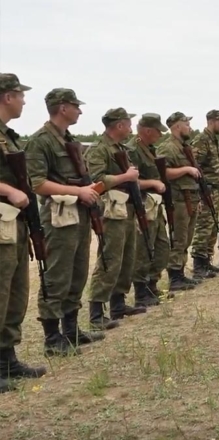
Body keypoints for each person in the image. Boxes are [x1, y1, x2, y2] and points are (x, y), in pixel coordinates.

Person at [25, 88, 108, 356]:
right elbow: (36, 183)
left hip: (79, 215)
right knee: (57, 276)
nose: (80, 111)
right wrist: (79, 192)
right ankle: (52, 338)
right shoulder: (41, 141)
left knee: (78, 272)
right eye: (75, 106)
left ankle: (71, 330)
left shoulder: (67, 138)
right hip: (59, 218)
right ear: (62, 108)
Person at [0, 73, 47, 392]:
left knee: (16, 292)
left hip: (15, 221)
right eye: (20, 95)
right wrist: (6, 189)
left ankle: (7, 358)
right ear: (6, 97)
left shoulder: (11, 137)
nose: (24, 100)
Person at [85, 108, 147, 325]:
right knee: (109, 258)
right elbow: (96, 180)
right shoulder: (99, 149)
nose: (131, 128)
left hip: (126, 208)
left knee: (127, 257)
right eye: (128, 124)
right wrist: (125, 176)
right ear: (119, 125)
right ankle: (96, 311)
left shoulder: (122, 149)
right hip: (111, 211)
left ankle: (118, 304)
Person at [127, 113, 175, 305]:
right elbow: (132, 180)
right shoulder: (132, 150)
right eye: (157, 131)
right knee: (144, 249)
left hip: (155, 204)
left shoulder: (149, 148)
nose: (160, 135)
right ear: (147, 131)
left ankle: (152, 286)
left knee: (162, 247)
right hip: (143, 205)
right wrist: (153, 183)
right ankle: (141, 292)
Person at [157, 112, 203, 290]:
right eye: (186, 124)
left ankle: (181, 273)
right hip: (177, 199)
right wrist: (186, 169)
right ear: (177, 126)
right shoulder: (168, 147)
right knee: (178, 238)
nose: (190, 128)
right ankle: (175, 276)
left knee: (186, 238)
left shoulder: (184, 146)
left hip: (190, 198)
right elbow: (163, 172)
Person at [190, 110, 219, 276]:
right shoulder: (202, 140)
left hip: (214, 189)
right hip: (205, 189)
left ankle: (206, 260)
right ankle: (199, 264)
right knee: (204, 226)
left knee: (213, 225)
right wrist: (200, 189)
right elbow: (195, 164)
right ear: (211, 121)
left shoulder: (214, 140)